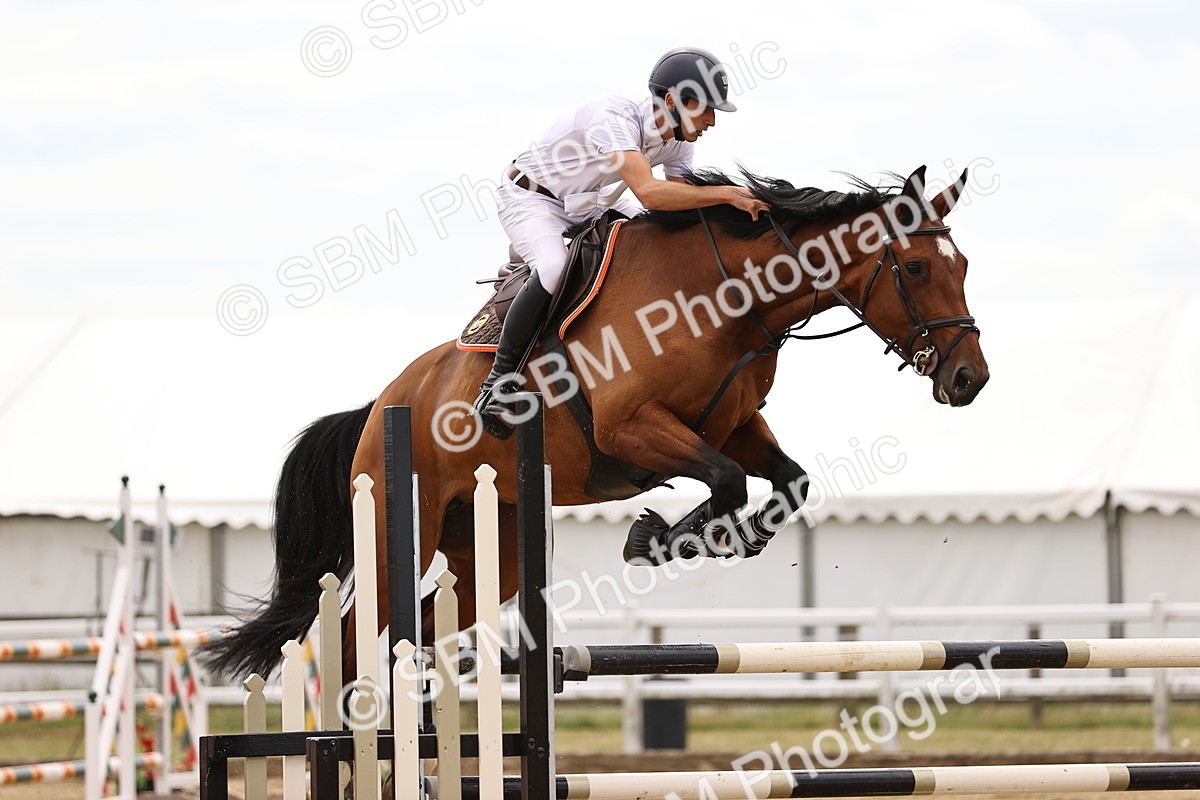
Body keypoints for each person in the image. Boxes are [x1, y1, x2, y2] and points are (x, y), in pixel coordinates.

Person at [472, 46, 769, 439]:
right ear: (671, 101)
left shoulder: (679, 139)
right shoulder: (613, 117)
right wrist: (726, 194)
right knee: (554, 267)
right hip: (531, 197)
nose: (712, 120)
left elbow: (676, 212)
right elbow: (648, 192)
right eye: (706, 109)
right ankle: (497, 382)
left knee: (652, 239)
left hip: (591, 199)